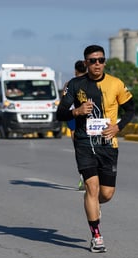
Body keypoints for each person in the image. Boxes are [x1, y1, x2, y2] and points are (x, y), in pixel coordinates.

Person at [57, 45, 135, 253]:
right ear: (86, 63)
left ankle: (93, 205)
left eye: (100, 60)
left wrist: (118, 127)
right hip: (84, 142)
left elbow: (131, 109)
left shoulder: (115, 84)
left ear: (105, 61)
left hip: (107, 144)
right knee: (91, 188)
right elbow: (60, 113)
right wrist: (77, 111)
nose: (97, 64)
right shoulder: (75, 85)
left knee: (107, 193)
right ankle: (96, 236)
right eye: (92, 61)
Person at [65, 60, 87, 190]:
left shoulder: (69, 84)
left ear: (75, 71)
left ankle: (83, 176)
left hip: (73, 116)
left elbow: (64, 103)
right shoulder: (93, 83)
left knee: (79, 147)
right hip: (89, 117)